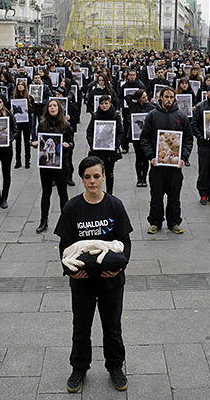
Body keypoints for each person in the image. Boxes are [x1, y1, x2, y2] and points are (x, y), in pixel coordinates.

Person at [54, 156, 132, 393]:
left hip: (111, 281)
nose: (92, 181)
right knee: (81, 327)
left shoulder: (114, 205)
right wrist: (69, 272)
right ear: (82, 178)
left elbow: (125, 243)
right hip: (83, 282)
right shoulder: (72, 207)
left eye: (96, 176)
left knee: (112, 327)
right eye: (87, 177)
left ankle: (116, 367)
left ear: (104, 176)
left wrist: (120, 267)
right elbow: (65, 245)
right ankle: (79, 368)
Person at [139, 87, 193, 234]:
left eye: (171, 97)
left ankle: (174, 222)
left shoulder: (181, 116)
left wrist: (183, 158)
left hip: (175, 166)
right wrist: (151, 156)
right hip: (158, 165)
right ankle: (155, 222)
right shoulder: (152, 115)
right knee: (156, 195)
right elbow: (144, 138)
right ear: (161, 97)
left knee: (174, 196)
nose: (169, 100)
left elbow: (188, 139)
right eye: (166, 97)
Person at [32, 98, 74, 233]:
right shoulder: (42, 124)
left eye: (55, 106)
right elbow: (37, 141)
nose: (52, 108)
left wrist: (68, 145)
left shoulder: (66, 125)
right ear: (47, 109)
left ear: (59, 109)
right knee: (46, 192)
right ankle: (43, 220)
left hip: (62, 163)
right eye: (50, 106)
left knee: (63, 193)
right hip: (46, 165)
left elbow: (71, 143)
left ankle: (66, 221)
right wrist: (36, 144)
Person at [85, 95, 124, 195]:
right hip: (97, 150)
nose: (104, 105)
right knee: (97, 172)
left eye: (106, 103)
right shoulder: (95, 116)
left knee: (110, 173)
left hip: (110, 151)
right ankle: (98, 192)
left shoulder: (115, 116)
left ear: (110, 104)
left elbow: (120, 133)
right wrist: (92, 144)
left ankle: (109, 193)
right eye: (102, 103)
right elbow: (89, 132)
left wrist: (115, 145)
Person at [125, 89, 154, 187]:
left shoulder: (151, 107)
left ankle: (144, 178)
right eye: (143, 97)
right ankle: (139, 178)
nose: (146, 98)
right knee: (138, 157)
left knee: (145, 158)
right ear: (138, 99)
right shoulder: (134, 105)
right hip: (136, 136)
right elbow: (127, 97)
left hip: (146, 137)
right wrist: (136, 96)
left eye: (146, 96)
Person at [12, 79, 34, 169]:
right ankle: (18, 161)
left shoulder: (29, 98)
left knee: (26, 142)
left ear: (25, 87)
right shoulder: (14, 98)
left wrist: (29, 110)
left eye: (22, 85)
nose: (20, 86)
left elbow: (34, 110)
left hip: (26, 122)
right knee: (17, 142)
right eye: (19, 85)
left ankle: (27, 161)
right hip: (17, 122)